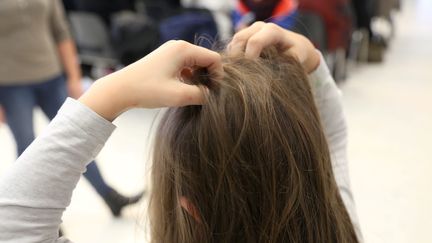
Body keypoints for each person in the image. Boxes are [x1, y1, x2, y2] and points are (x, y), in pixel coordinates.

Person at [0, 22, 361, 242]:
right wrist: (312, 60)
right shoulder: (343, 229)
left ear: (190, 209)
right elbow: (336, 137)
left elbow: (11, 227)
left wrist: (109, 93)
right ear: (318, 170)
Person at [0, 0, 141, 217]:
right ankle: (34, 216)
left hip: (51, 76)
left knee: (74, 137)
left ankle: (108, 196)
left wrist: (74, 76)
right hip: (11, 84)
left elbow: (61, 31)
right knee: (27, 149)